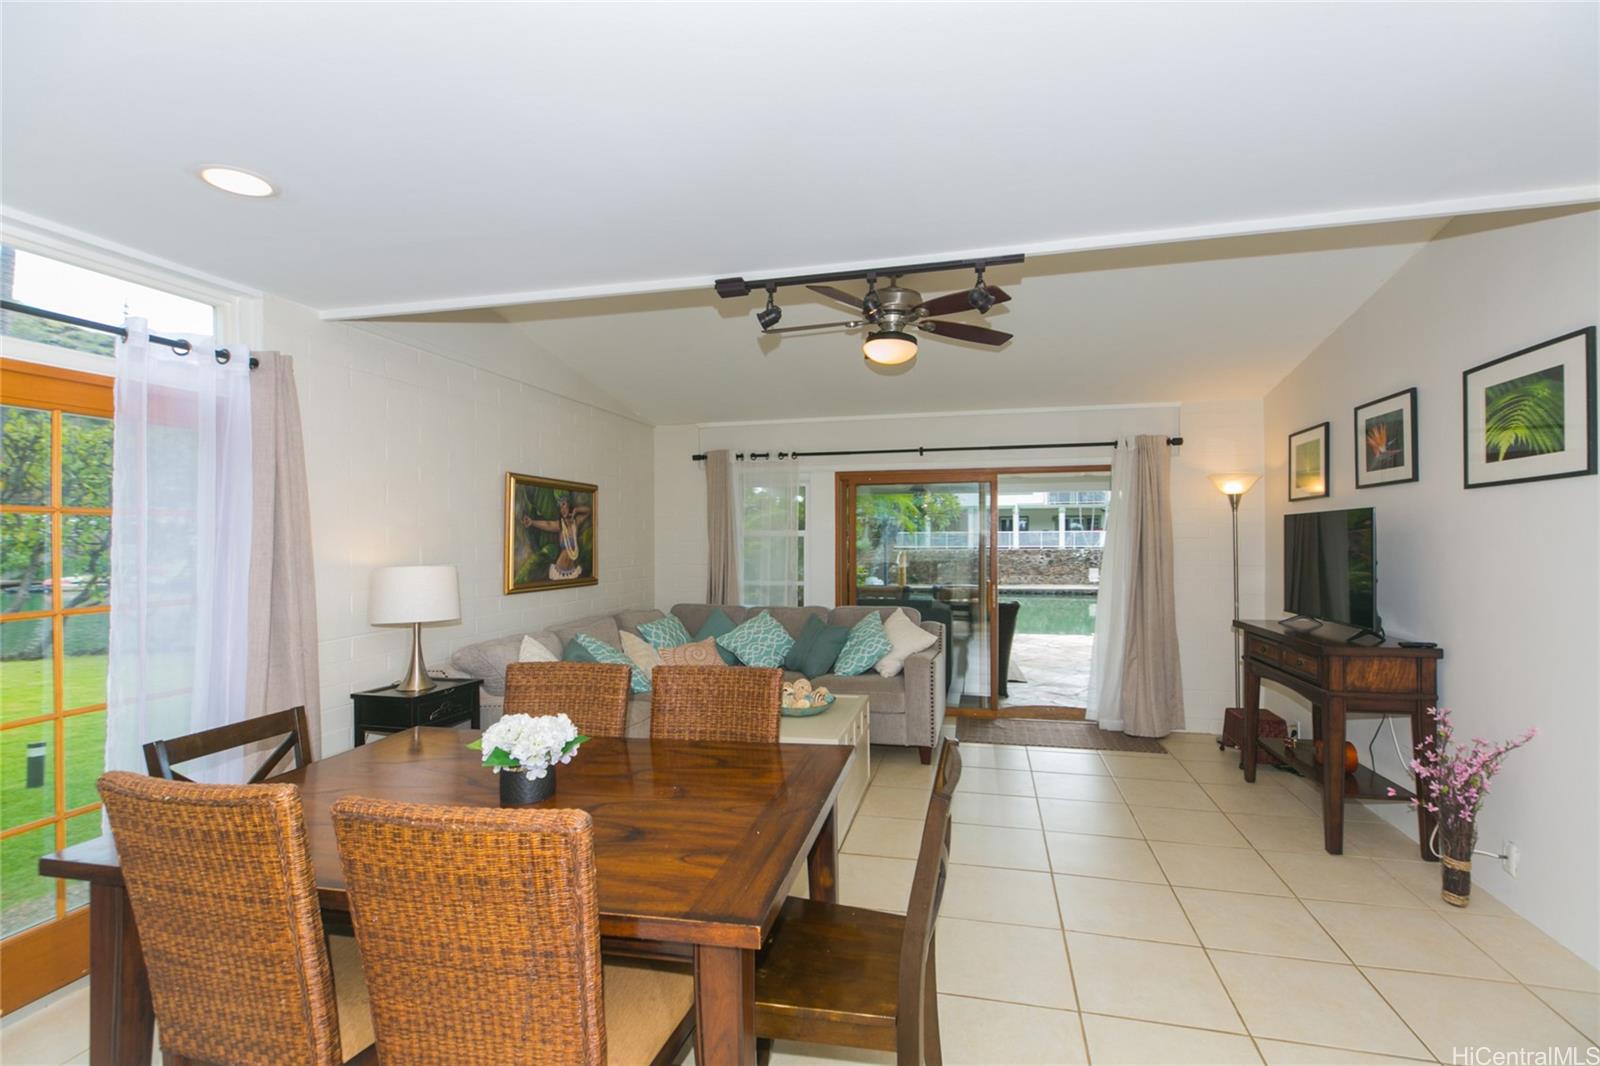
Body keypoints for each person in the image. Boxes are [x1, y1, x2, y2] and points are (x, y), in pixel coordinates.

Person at [521, 493, 591, 580]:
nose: (562, 509)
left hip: (572, 569)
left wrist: (576, 510)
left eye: (564, 505)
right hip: (560, 570)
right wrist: (532, 522)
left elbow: (589, 510)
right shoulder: (560, 525)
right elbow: (548, 524)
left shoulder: (576, 523)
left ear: (570, 506)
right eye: (560, 507)